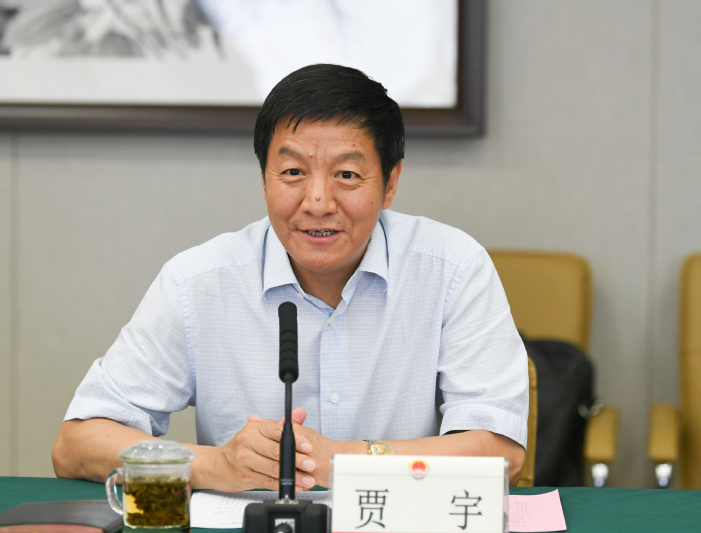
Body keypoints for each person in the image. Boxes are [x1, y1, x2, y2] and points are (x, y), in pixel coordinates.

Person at [52, 64, 528, 490]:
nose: (317, 201)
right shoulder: (197, 283)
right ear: (264, 179)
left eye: (346, 175)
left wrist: (342, 461)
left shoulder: (454, 269)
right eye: (294, 171)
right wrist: (212, 465)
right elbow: (75, 445)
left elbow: (501, 454)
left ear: (390, 183)